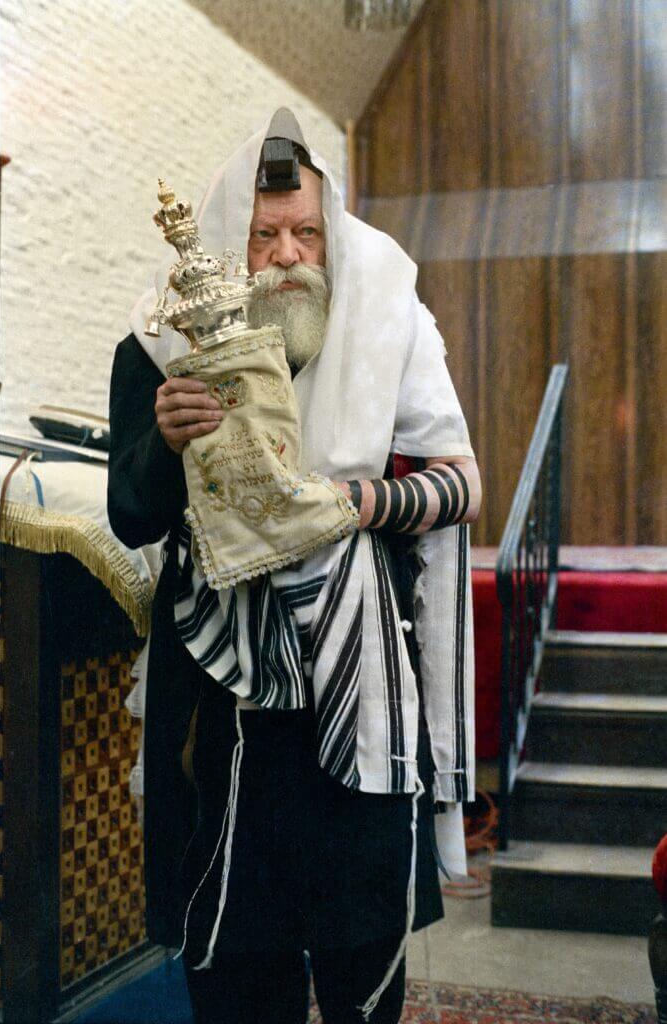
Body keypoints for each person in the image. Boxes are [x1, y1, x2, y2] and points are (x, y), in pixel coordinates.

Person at [108, 108, 481, 1024]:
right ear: (228, 243)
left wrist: (349, 504)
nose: (287, 257)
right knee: (239, 972)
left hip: (360, 692)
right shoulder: (158, 340)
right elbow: (129, 515)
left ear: (331, 234)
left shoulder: (389, 317)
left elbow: (461, 485)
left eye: (306, 233)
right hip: (220, 705)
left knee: (363, 960)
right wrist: (165, 442)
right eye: (264, 235)